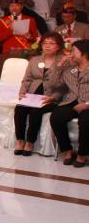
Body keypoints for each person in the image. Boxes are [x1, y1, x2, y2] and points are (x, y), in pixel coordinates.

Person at [12, 33, 64, 156]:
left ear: (58, 46)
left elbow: (64, 86)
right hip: (32, 95)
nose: (47, 46)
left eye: (51, 43)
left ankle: (30, 142)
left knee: (35, 111)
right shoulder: (34, 60)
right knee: (19, 109)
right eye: (45, 43)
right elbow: (27, 80)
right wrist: (22, 93)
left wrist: (53, 98)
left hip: (50, 97)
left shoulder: (63, 62)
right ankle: (20, 140)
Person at [48, 39, 89, 167]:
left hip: (87, 102)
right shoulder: (70, 70)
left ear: (84, 53)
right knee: (56, 117)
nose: (71, 54)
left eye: (74, 51)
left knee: (86, 121)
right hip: (72, 100)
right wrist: (59, 65)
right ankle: (67, 150)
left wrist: (86, 104)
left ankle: (82, 154)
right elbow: (53, 84)